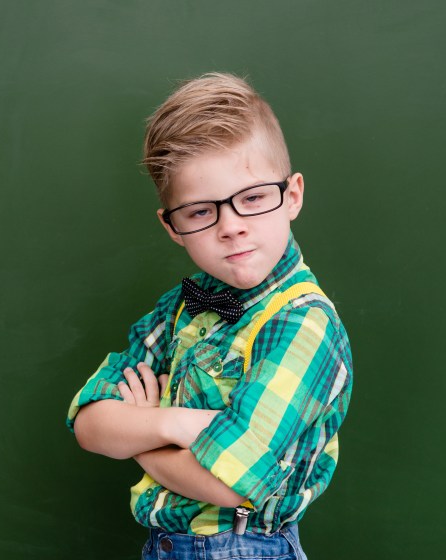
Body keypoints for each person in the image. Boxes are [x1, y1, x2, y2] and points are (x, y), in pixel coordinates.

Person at [65, 72, 353, 559]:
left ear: (292, 195)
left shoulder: (303, 325)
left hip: (243, 548)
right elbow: (90, 424)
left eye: (253, 198)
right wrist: (172, 425)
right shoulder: (181, 307)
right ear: (172, 226)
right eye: (200, 212)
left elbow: (227, 484)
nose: (231, 227)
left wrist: (139, 432)